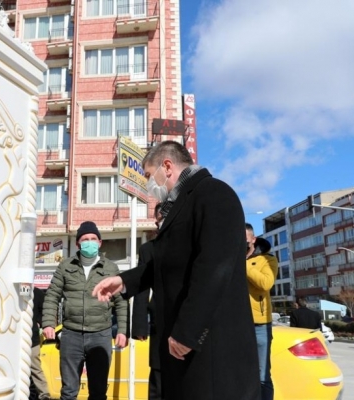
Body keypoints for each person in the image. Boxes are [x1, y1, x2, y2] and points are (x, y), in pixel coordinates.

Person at [91, 140, 261, 399]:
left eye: (149, 175)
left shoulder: (214, 194)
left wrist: (188, 331)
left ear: (167, 166)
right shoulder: (180, 205)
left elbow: (214, 268)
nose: (148, 184)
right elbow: (166, 264)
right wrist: (124, 281)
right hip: (183, 349)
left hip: (210, 348)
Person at [42, 221, 128, 400]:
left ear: (100, 242)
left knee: (98, 391)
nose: (89, 242)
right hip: (71, 335)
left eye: (93, 239)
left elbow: (121, 302)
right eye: (85, 239)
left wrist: (122, 330)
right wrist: (48, 323)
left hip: (100, 335)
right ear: (78, 244)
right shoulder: (65, 266)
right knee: (68, 391)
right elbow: (52, 295)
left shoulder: (111, 268)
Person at [131, 202, 165, 400]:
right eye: (161, 218)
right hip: (159, 322)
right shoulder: (148, 249)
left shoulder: (188, 245)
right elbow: (141, 288)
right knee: (158, 382)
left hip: (186, 319)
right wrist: (139, 326)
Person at [245, 223, 279, 400]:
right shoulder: (230, 258)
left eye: (244, 238)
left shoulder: (267, 260)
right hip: (236, 323)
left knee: (262, 375)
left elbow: (266, 283)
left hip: (259, 325)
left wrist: (244, 264)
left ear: (253, 239)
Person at [29, 287, 50, 400]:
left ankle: (44, 395)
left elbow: (44, 314)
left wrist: (42, 323)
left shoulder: (37, 293)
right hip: (18, 339)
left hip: (33, 339)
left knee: (36, 369)